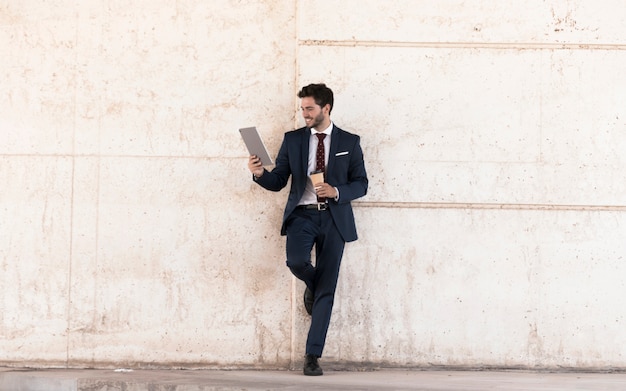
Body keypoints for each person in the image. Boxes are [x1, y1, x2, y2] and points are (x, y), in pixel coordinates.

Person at [247, 83, 368, 376]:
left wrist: (336, 190)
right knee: (297, 262)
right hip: (303, 216)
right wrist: (260, 173)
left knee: (328, 290)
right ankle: (313, 285)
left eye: (309, 108)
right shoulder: (293, 140)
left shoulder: (350, 142)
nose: (304, 114)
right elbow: (278, 181)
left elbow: (361, 183)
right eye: (302, 109)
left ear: (326, 108)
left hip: (335, 219)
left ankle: (312, 356)